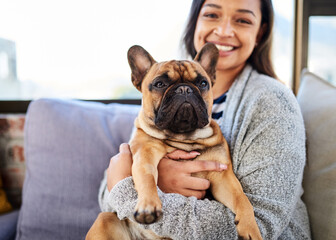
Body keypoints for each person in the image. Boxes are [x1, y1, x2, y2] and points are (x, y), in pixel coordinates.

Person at [98, 0, 311, 239]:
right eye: (212, 15)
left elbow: (260, 226)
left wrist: (146, 192)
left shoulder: (272, 103)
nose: (224, 30)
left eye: (242, 20)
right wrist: (142, 185)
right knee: (104, 222)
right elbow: (110, 199)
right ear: (195, 21)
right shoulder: (150, 121)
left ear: (260, 32)